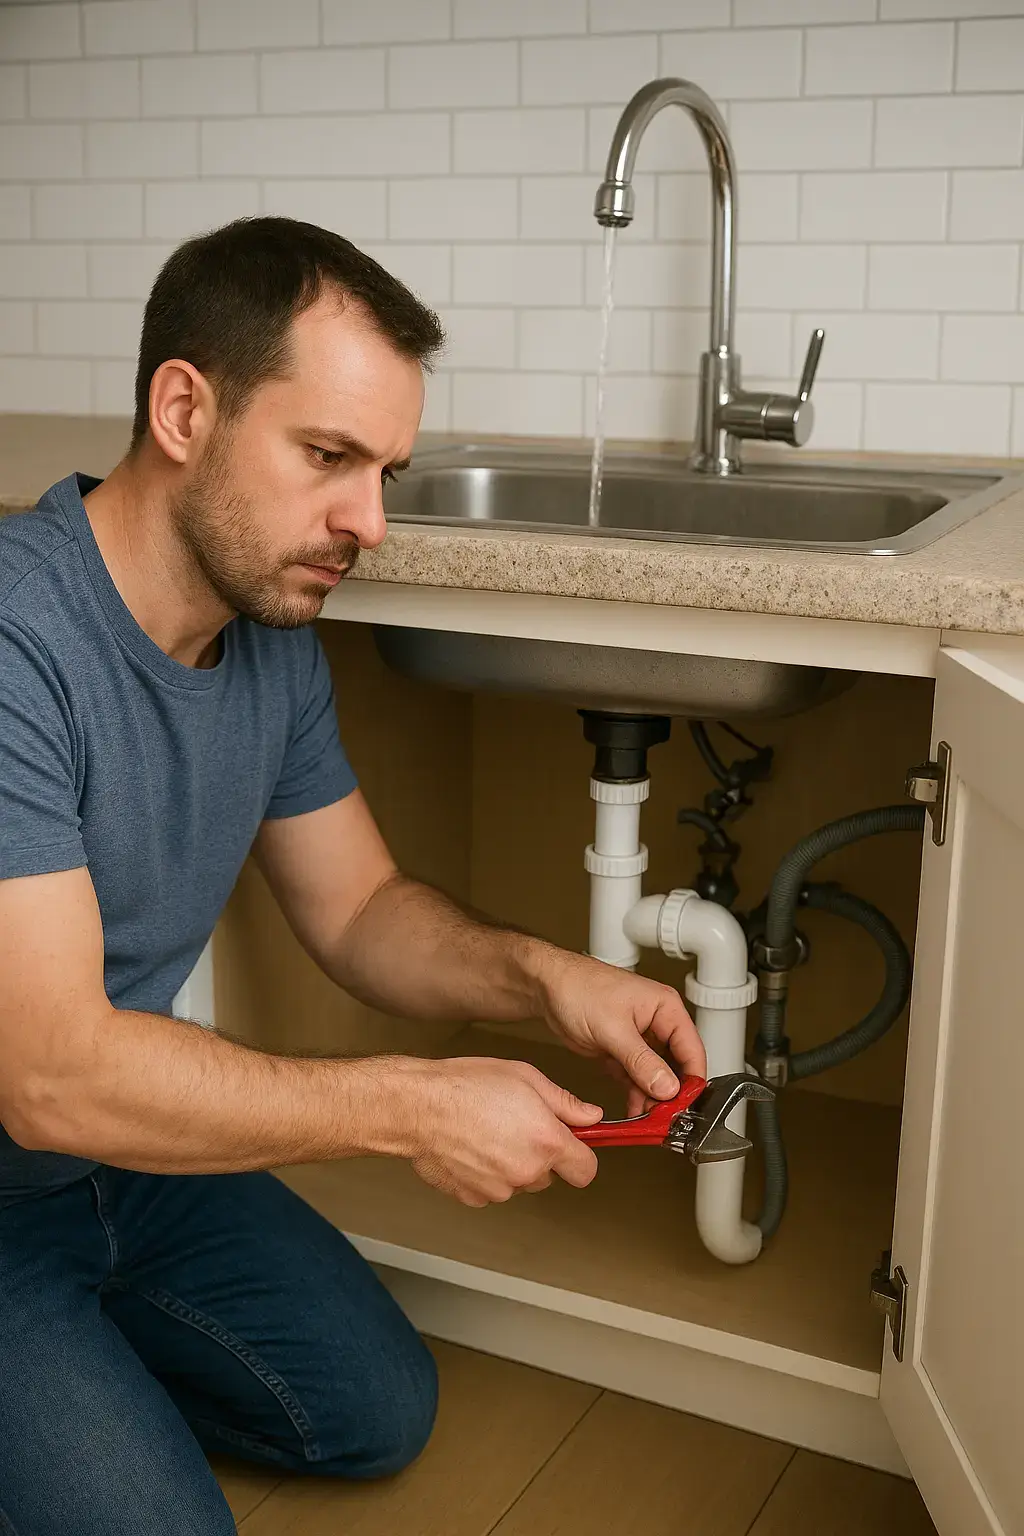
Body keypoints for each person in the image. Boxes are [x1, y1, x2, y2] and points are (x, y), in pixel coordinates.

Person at [0, 217, 705, 1535]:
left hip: (117, 1164)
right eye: (329, 457)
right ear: (182, 408)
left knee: (377, 1408)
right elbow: (46, 1075)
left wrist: (545, 976)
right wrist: (407, 1106)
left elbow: (362, 909)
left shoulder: (266, 637)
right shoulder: (16, 645)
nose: (368, 523)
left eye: (386, 470)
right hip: (20, 1150)